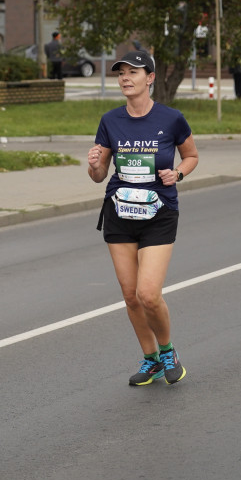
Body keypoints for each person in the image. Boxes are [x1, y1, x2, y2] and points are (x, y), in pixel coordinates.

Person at [86, 50, 199, 387]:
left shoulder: (171, 118)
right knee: (130, 294)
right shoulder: (110, 121)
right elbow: (99, 173)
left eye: (133, 72)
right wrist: (94, 164)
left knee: (149, 293)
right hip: (120, 210)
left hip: (159, 211)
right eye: (120, 73)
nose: (125, 78)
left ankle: (168, 351)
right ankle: (150, 358)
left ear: (150, 78)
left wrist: (177, 174)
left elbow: (191, 155)